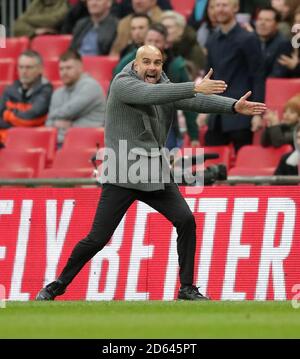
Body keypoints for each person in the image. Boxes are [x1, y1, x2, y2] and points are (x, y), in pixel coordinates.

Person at [36, 45, 266, 301]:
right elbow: (151, 94)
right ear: (135, 65)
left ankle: (187, 288)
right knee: (97, 238)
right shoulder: (123, 83)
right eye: (146, 62)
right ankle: (58, 284)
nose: (153, 67)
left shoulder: (164, 84)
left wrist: (234, 106)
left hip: (153, 171)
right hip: (123, 173)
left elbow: (193, 100)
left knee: (186, 220)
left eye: (157, 62)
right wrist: (193, 86)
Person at [113, 23, 201, 147]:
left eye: (157, 41)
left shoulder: (176, 66)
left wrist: (194, 136)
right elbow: (115, 89)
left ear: (166, 44)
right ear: (143, 42)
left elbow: (189, 99)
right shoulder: (128, 62)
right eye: (149, 40)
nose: (153, 45)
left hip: (165, 126)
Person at [204, 0, 265, 152]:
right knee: (212, 163)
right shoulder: (211, 40)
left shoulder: (248, 38)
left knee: (244, 160)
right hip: (217, 113)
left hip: (242, 113)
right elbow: (208, 78)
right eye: (216, 5)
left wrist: (258, 113)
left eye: (224, 5)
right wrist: (203, 108)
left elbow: (258, 76)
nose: (220, 9)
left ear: (236, 7)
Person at [46, 50, 106, 146]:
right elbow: (48, 123)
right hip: (61, 143)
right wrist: (54, 120)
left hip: (88, 143)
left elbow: (69, 111)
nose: (64, 72)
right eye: (61, 69)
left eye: (69, 68)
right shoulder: (58, 93)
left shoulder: (91, 86)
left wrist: (56, 119)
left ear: (80, 68)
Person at [0, 50, 53, 146]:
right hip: (6, 141)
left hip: (33, 141)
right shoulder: (10, 90)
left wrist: (7, 115)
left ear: (40, 69)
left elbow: (30, 119)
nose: (24, 71)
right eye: (21, 67)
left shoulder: (46, 91)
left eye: (29, 67)